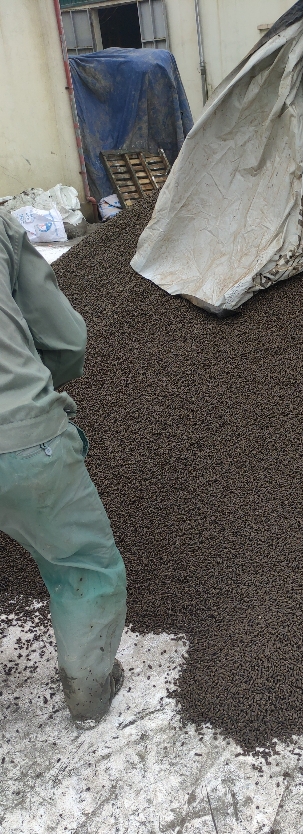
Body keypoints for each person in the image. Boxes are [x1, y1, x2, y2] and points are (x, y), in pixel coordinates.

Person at [0, 208, 126, 728]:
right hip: (21, 439)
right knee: (83, 565)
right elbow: (67, 342)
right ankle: (89, 693)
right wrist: (31, 396)